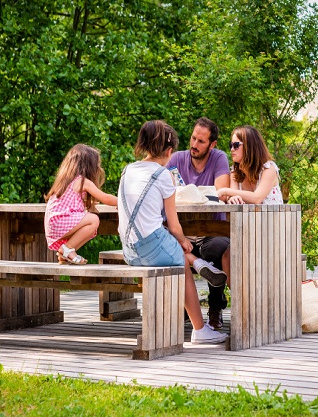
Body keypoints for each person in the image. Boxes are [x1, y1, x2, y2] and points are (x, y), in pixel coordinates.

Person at [118, 120, 227, 344]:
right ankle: (200, 329)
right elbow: (175, 225)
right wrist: (184, 241)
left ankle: (195, 261)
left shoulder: (127, 170)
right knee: (178, 257)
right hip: (151, 247)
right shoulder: (163, 176)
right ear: (169, 151)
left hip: (129, 251)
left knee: (172, 248)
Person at [166, 117, 231, 330]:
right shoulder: (176, 158)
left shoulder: (219, 158)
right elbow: (161, 189)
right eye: (193, 138)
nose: (194, 144)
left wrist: (185, 194)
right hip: (181, 231)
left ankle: (215, 308)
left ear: (212, 144)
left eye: (201, 141)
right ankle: (184, 308)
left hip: (211, 230)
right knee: (168, 246)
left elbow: (220, 193)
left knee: (218, 248)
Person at [44, 144, 118, 265]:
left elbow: (71, 203)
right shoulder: (82, 181)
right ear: (88, 166)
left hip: (53, 224)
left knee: (89, 222)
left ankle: (66, 254)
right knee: (93, 220)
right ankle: (67, 249)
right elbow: (106, 198)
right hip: (60, 222)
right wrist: (123, 202)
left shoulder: (64, 181)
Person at [217, 125, 284, 206]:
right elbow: (234, 195)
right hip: (247, 218)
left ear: (249, 146)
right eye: (231, 145)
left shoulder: (268, 169)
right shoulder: (235, 172)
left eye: (236, 145)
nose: (232, 149)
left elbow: (256, 198)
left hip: (274, 218)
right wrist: (231, 198)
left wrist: (224, 191)